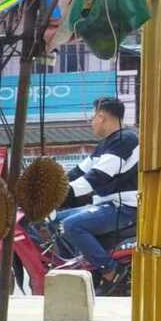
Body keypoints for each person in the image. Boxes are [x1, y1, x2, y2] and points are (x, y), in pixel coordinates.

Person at [57, 96, 139, 283]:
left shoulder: (125, 139)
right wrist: (56, 186)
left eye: (93, 118)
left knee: (72, 225)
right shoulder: (105, 145)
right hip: (106, 205)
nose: (91, 123)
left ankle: (110, 271)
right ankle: (82, 265)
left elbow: (97, 176)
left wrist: (66, 192)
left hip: (124, 208)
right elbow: (79, 171)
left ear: (102, 117)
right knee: (53, 220)